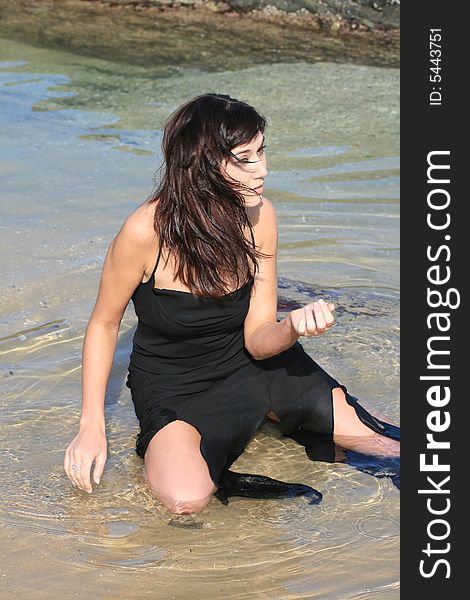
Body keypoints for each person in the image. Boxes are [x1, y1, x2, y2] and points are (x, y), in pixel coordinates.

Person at [64, 92, 399, 515]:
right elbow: (104, 324)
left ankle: (272, 414)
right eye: (246, 158)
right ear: (203, 165)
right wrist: (91, 426)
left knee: (388, 448)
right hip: (175, 384)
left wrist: (292, 327)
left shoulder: (261, 216)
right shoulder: (144, 231)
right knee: (185, 501)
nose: (264, 170)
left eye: (262, 152)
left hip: (256, 365)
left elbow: (259, 341)